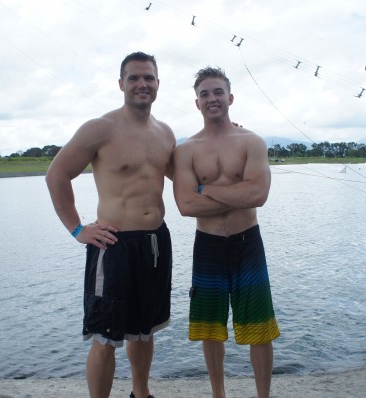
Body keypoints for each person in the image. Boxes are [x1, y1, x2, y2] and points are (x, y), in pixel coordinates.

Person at [45, 51, 175, 398]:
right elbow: (57, 173)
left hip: (155, 243)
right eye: (134, 78)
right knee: (105, 338)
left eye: (148, 77)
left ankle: (141, 393)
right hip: (113, 245)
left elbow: (190, 172)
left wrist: (223, 132)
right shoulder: (100, 128)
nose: (142, 84)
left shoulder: (165, 133)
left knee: (144, 330)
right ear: (121, 84)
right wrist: (77, 229)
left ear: (158, 84)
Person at [173, 66, 280, 398]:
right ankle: (218, 393)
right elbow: (186, 206)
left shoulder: (252, 142)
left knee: (259, 327)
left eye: (218, 91)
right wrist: (235, 193)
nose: (212, 98)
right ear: (197, 103)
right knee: (210, 327)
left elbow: (257, 196)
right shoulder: (186, 150)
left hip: (248, 242)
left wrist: (205, 189)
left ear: (230, 97)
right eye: (204, 93)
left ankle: (263, 395)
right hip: (207, 245)